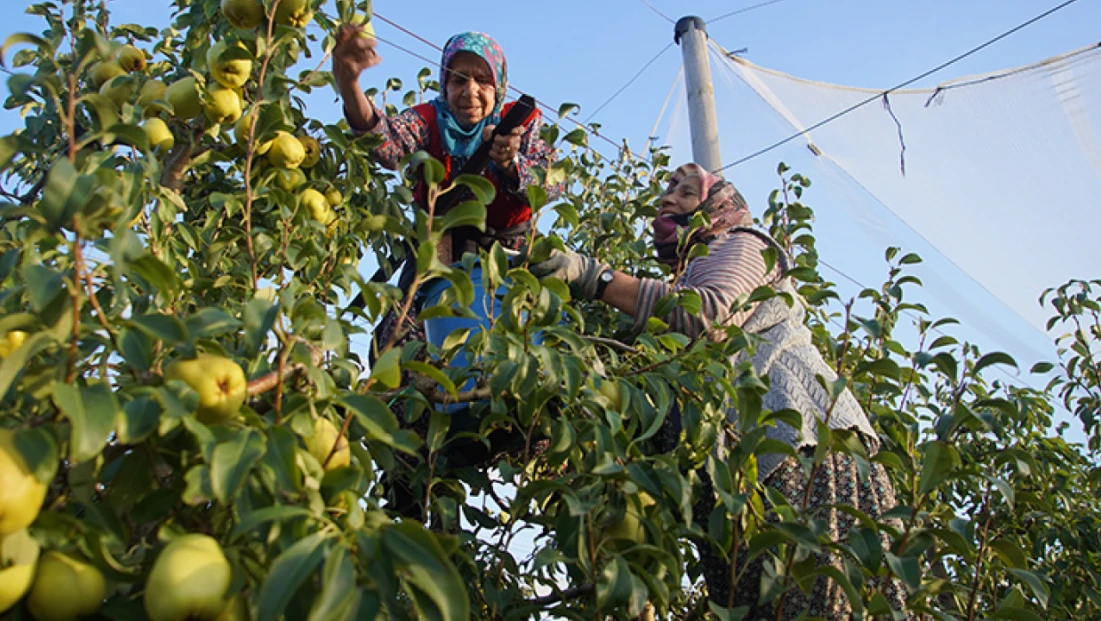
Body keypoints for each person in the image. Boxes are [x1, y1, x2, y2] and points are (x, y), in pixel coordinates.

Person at [530, 163, 907, 618]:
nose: (668, 198)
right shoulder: (677, 293)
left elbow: (708, 316)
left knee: (824, 601)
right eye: (666, 190)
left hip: (805, 451)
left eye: (686, 192)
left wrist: (597, 278)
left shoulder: (744, 244)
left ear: (717, 208)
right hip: (740, 492)